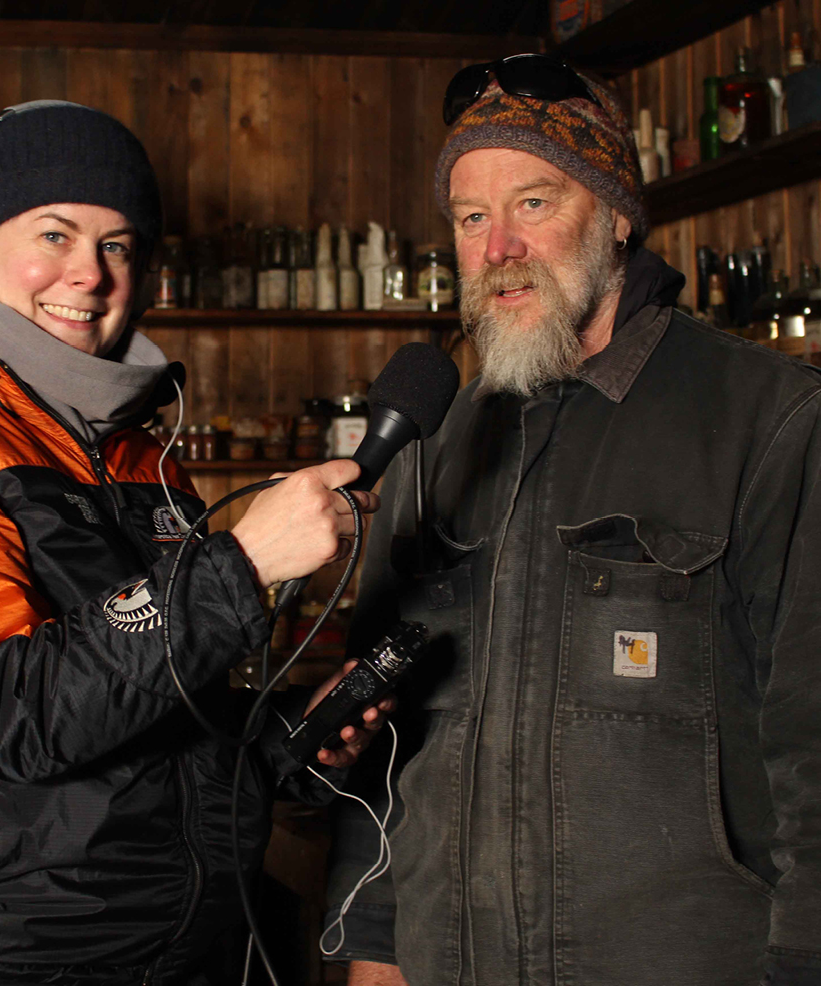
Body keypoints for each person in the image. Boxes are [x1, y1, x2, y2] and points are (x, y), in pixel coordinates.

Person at [0, 101, 387, 985]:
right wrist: (239, 566)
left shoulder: (135, 454)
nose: (89, 274)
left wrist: (278, 744)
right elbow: (4, 712)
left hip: (175, 950)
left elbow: (143, 703)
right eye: (54, 235)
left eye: (118, 245)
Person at [325, 53, 821, 986]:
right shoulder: (434, 442)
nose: (499, 247)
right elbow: (382, 737)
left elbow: (816, 751)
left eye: (534, 204)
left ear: (618, 216)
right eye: (473, 218)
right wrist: (372, 946)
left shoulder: (771, 421)